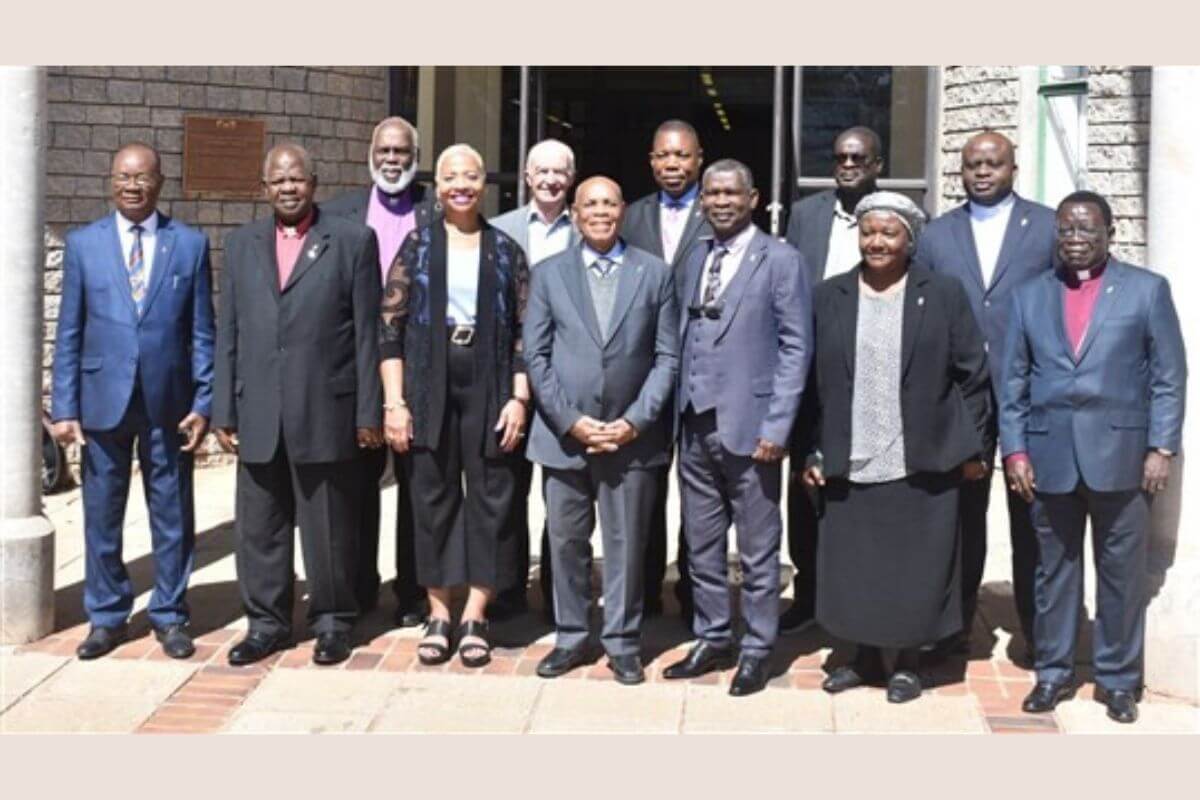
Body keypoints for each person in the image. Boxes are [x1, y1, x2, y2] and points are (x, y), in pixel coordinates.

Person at [1001, 191, 1186, 724]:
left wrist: (1161, 448)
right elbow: (1012, 381)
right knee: (1053, 573)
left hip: (1123, 457)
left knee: (1120, 575)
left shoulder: (1147, 290)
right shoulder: (1029, 295)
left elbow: (1170, 376)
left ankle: (1118, 680)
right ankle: (1053, 672)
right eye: (1065, 230)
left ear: (1111, 232)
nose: (1075, 240)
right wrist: (1015, 450)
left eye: (1086, 229)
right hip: (1048, 456)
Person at [802, 191, 992, 704]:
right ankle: (865, 658)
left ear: (910, 239)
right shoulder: (829, 295)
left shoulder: (943, 293)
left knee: (915, 567)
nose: (877, 242)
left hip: (923, 456)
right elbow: (811, 383)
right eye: (868, 232)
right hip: (851, 456)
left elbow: (973, 375)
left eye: (889, 233)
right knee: (858, 565)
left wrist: (971, 448)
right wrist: (812, 451)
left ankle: (908, 662)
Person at [213, 142, 384, 667]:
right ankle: (266, 623)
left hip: (325, 409)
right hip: (260, 410)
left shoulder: (353, 241)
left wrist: (368, 412)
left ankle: (333, 621)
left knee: (328, 526)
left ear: (314, 183)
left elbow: (368, 335)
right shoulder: (240, 245)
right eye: (278, 180)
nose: (288, 188)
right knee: (260, 527)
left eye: (297, 179)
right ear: (264, 188)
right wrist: (224, 409)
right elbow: (230, 332)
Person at [51, 142, 214, 660]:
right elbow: (69, 332)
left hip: (169, 402)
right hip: (103, 401)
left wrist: (204, 400)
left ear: (160, 182)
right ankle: (106, 616)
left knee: (172, 513)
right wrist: (64, 407)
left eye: (142, 177)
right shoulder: (84, 245)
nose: (132, 186)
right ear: (110, 181)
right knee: (102, 514)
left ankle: (170, 614)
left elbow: (202, 331)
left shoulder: (189, 245)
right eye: (123, 176)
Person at [663, 159, 811, 697]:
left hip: (753, 429)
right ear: (702, 200)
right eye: (712, 193)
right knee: (701, 545)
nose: (721, 201)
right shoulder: (695, 257)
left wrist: (779, 425)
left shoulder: (782, 260)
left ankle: (757, 648)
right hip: (694, 424)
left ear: (753, 199)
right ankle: (713, 636)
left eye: (731, 193)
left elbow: (796, 346)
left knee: (757, 548)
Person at [380, 144, 531, 668]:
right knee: (432, 495)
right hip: (429, 379)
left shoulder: (505, 249)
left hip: (490, 378)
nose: (460, 186)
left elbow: (525, 333)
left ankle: (475, 614)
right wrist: (395, 402)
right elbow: (390, 329)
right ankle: (440, 612)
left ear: (483, 183)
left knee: (492, 495)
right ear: (438, 186)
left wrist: (518, 398)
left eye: (470, 176)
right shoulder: (417, 247)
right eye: (451, 177)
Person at [523, 176, 679, 684]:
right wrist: (571, 421)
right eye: (590, 204)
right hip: (565, 438)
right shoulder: (548, 274)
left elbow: (667, 357)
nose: (600, 212)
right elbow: (536, 356)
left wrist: (635, 422)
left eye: (609, 203)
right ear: (575, 212)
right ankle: (571, 636)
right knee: (566, 543)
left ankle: (623, 642)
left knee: (626, 546)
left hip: (631, 441)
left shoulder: (654, 273)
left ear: (623, 210)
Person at [916, 131, 1057, 657]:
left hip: (1029, 390)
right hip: (961, 393)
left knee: (1032, 513)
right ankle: (953, 626)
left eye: (992, 164)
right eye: (972, 164)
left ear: (1013, 168)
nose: (981, 172)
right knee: (959, 513)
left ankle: (1039, 632)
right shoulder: (937, 234)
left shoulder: (1045, 227)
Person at [323, 116, 434, 628]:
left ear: (416, 157)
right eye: (385, 151)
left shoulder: (434, 212)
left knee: (417, 486)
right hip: (358, 368)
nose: (392, 160)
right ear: (371, 155)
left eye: (402, 152)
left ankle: (412, 591)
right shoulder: (338, 213)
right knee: (357, 485)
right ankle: (358, 586)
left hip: (419, 367)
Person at [780, 126, 884, 634]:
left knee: (862, 484)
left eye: (858, 159)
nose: (847, 166)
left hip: (872, 368)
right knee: (804, 485)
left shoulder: (894, 216)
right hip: (812, 368)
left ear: (877, 166)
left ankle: (857, 595)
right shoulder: (806, 215)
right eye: (840, 158)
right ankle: (808, 594)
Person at [621, 119, 713, 622]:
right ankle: (646, 589)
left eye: (681, 155)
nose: (672, 164)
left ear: (698, 159)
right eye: (663, 156)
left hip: (702, 372)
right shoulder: (631, 216)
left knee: (700, 489)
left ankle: (696, 593)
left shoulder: (719, 210)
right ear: (651, 161)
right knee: (645, 487)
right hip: (646, 376)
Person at [489, 138, 580, 622]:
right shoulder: (499, 230)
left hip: (564, 382)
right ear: (526, 177)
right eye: (541, 171)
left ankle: (556, 593)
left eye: (559, 171)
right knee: (507, 491)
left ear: (571, 178)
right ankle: (507, 590)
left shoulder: (587, 231)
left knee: (562, 496)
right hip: (509, 379)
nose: (550, 180)